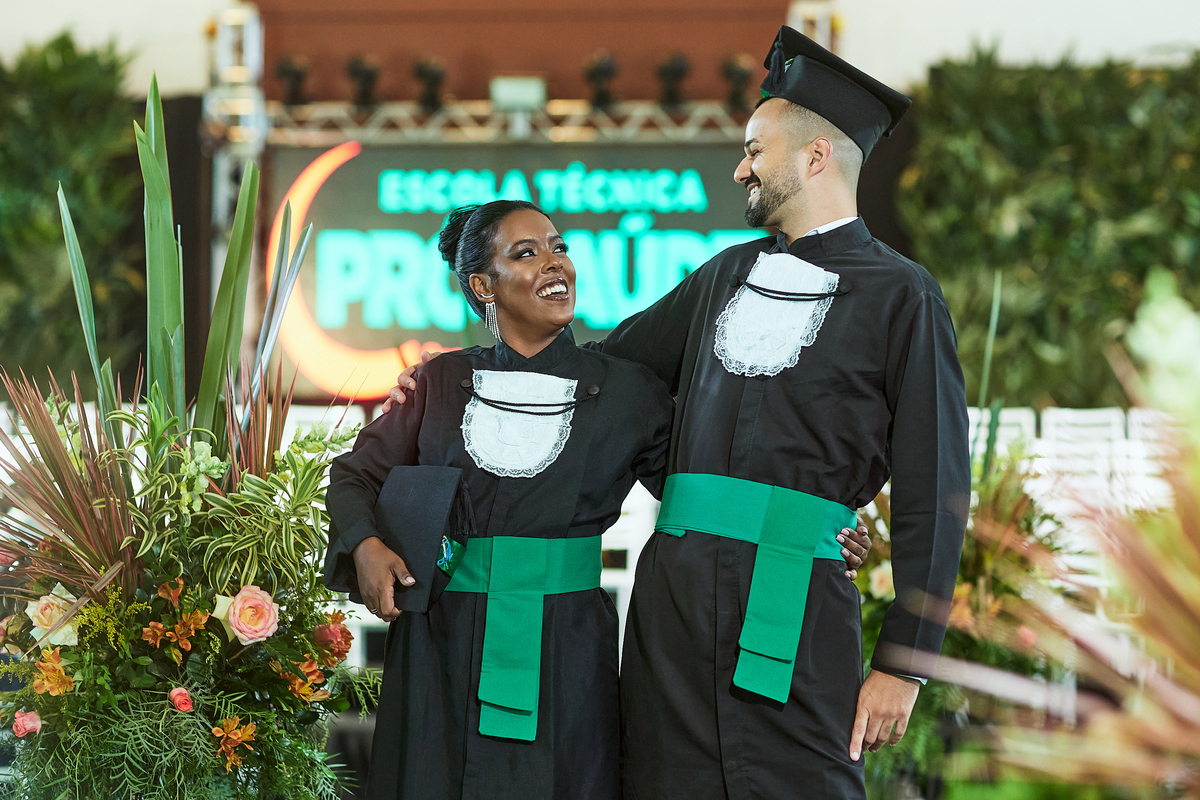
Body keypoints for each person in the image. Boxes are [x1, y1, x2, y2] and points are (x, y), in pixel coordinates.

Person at [386, 26, 971, 800]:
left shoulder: (904, 294)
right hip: (672, 608)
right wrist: (461, 378)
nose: (741, 168)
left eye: (755, 151)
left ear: (815, 157)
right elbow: (600, 373)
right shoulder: (723, 274)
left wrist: (904, 662)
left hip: (795, 602)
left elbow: (936, 487)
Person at [324, 199, 872, 800]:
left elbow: (704, 494)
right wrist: (367, 546)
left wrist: (814, 528)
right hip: (438, 648)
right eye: (526, 253)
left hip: (566, 651)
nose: (554, 263)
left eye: (559, 248)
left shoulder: (627, 393)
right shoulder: (437, 382)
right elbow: (354, 476)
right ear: (483, 286)